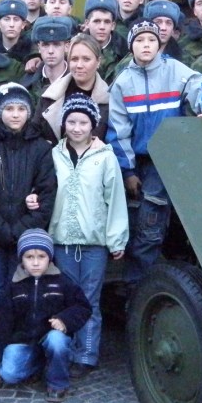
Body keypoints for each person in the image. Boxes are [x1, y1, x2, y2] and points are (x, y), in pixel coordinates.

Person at [107, 21, 202, 285]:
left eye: (151, 40)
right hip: (145, 165)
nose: (145, 45)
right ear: (131, 47)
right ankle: (137, 290)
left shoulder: (176, 71)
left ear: (160, 43)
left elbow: (200, 90)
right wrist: (127, 172)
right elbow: (118, 132)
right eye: (139, 41)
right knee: (146, 230)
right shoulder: (123, 83)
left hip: (176, 161)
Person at [49, 94, 127, 379]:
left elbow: (114, 199)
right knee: (67, 298)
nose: (77, 128)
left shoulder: (104, 157)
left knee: (90, 298)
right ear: (64, 123)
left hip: (94, 242)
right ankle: (65, 349)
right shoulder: (54, 154)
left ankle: (87, 353)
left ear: (93, 125)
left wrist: (116, 239)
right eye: (72, 121)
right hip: (62, 240)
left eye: (83, 122)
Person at [0, 83, 57, 327]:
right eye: (9, 109)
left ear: (28, 112)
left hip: (26, 237)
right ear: (0, 112)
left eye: (20, 108)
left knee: (22, 291)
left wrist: (19, 230)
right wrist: (0, 230)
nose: (15, 114)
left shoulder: (40, 148)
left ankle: (19, 350)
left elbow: (47, 193)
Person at [0, 229, 92, 403]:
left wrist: (64, 320)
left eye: (41, 256)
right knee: (9, 375)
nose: (35, 263)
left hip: (50, 336)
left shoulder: (61, 281)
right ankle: (38, 365)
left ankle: (58, 384)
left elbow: (83, 307)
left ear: (49, 257)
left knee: (57, 341)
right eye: (29, 257)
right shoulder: (14, 286)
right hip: (23, 342)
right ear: (21, 259)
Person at [36, 33, 111, 143]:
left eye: (86, 59)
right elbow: (34, 133)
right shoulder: (50, 96)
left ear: (98, 62)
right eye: (74, 59)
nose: (79, 65)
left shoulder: (110, 100)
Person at [22, 16, 71, 103]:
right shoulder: (26, 84)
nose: (50, 51)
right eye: (45, 45)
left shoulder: (77, 81)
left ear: (67, 46)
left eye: (56, 44)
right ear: (39, 48)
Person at [81, 0, 127, 81]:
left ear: (113, 25)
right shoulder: (76, 49)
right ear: (87, 23)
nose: (102, 27)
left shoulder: (124, 51)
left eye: (106, 22)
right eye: (97, 21)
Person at [0, 0, 34, 64]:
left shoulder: (31, 51)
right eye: (7, 19)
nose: (11, 24)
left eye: (16, 19)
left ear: (23, 24)